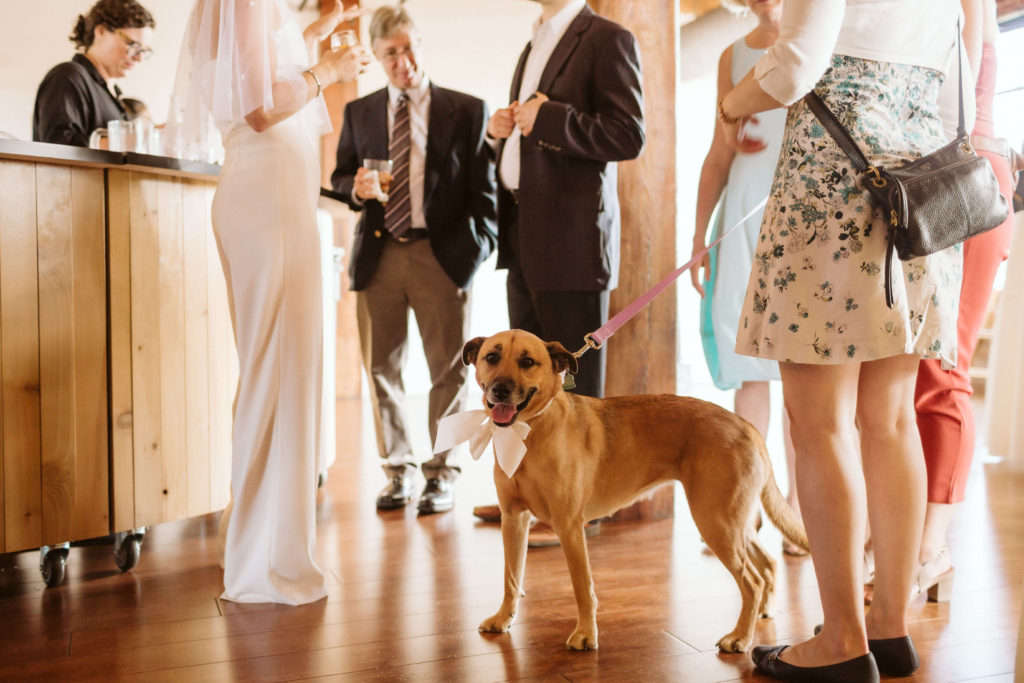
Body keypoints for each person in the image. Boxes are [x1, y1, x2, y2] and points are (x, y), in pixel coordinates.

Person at [718, 0, 964, 679]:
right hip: (916, 198)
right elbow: (953, 101)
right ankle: (888, 626)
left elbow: (798, 62)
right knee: (888, 420)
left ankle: (842, 643)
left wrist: (733, 102)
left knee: (820, 424)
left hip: (833, 196)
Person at [171, 0, 371, 604]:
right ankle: (262, 563)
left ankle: (268, 550)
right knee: (273, 372)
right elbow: (259, 107)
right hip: (269, 195)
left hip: (264, 191)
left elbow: (256, 63)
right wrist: (329, 70)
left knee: (277, 371)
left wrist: (314, 33)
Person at [330, 5, 497, 515]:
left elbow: (484, 193)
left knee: (447, 371)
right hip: (377, 255)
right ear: (377, 58)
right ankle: (397, 472)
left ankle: (440, 474)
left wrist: (471, 256)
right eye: (389, 54)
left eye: (408, 48)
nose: (402, 61)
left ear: (419, 44)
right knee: (382, 369)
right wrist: (355, 189)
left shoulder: (467, 109)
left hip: (440, 257)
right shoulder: (360, 112)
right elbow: (340, 178)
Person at [689, 0, 804, 558]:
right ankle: (748, 514)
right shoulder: (733, 55)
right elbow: (719, 155)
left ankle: (805, 516)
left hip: (805, 219)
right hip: (740, 221)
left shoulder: (816, 39)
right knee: (749, 371)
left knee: (805, 376)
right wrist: (696, 240)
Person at [912, 0, 1015, 601]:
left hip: (963, 176)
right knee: (903, 371)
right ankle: (908, 541)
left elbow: (951, 94)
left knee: (940, 369)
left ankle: (931, 551)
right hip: (927, 180)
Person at [33, 0, 155, 147]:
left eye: (144, 51)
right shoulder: (68, 76)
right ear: (101, 31)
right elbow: (57, 146)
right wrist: (131, 141)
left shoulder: (114, 95)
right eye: (133, 45)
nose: (139, 57)